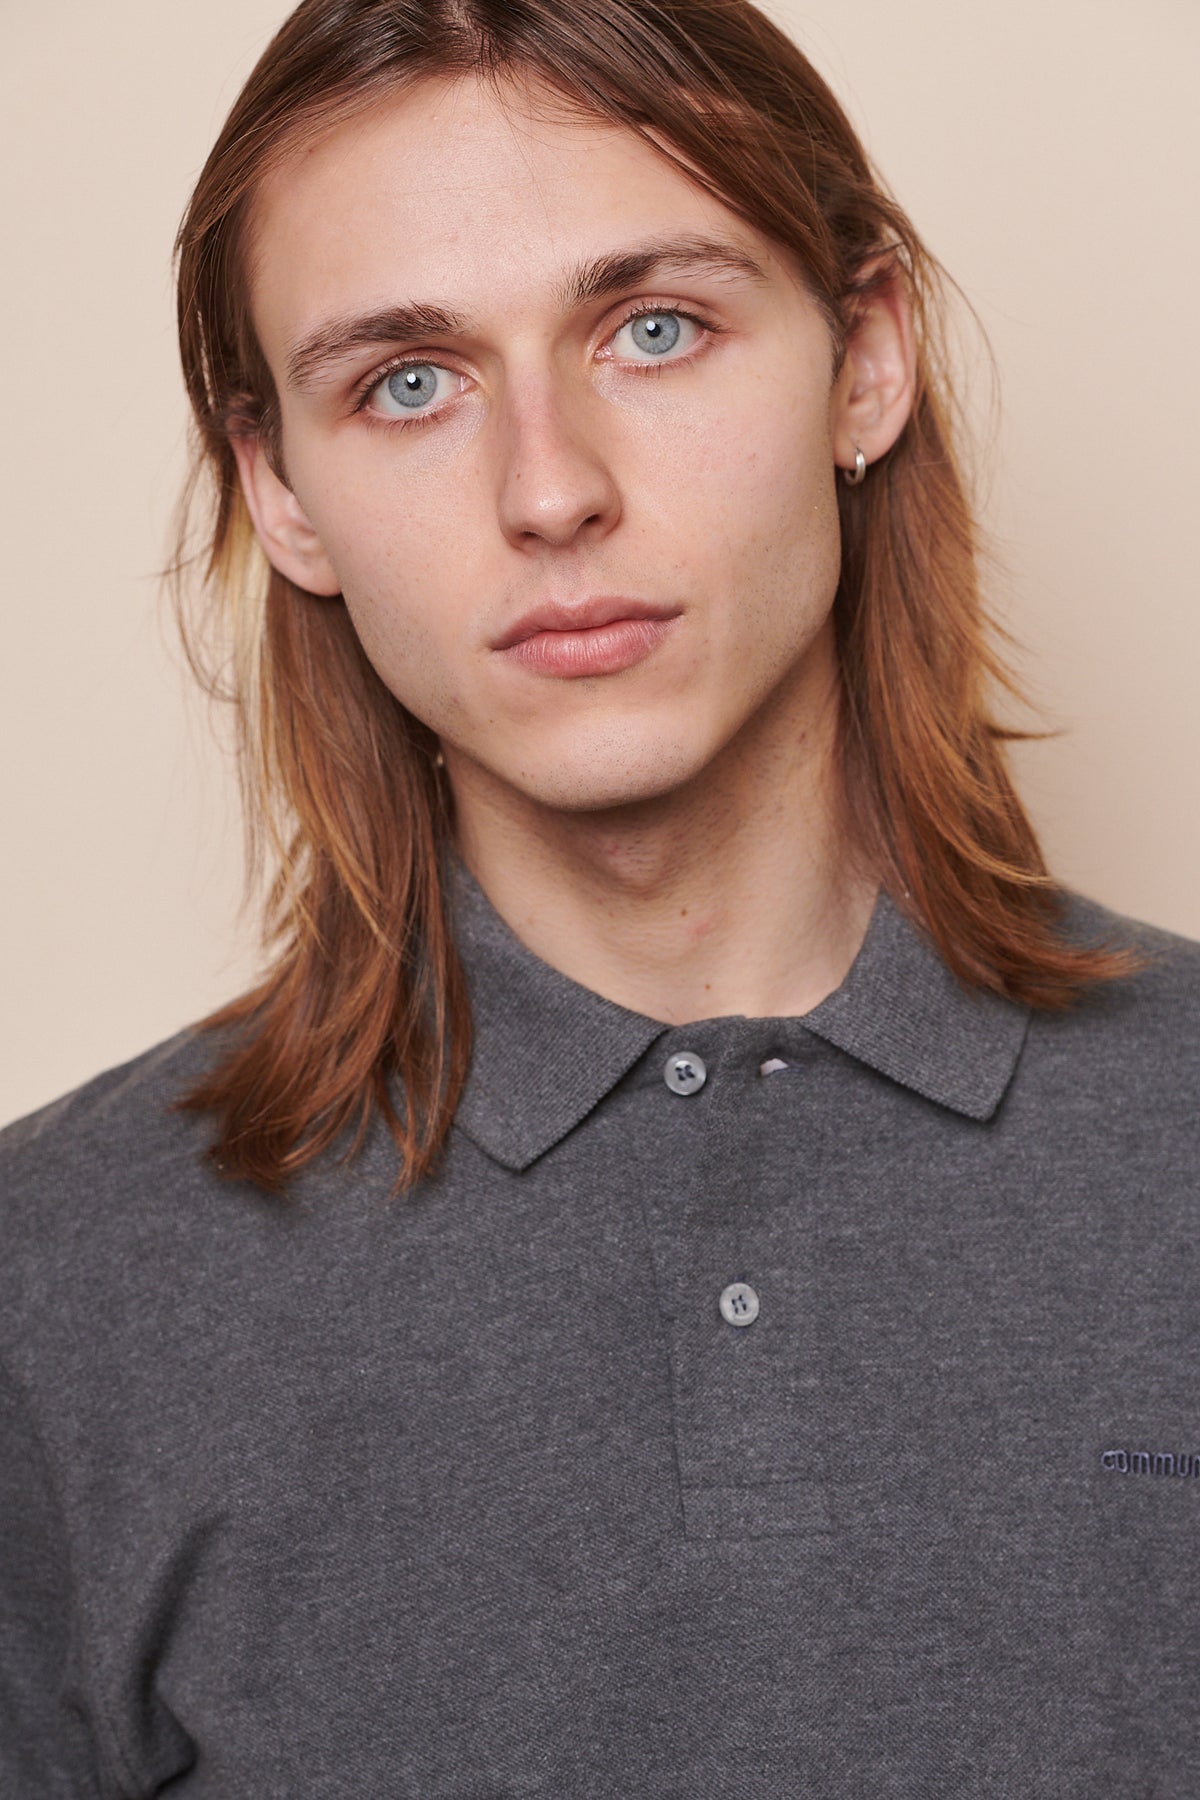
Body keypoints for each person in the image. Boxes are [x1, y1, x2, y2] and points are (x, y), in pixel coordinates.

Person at [2, 0, 1197, 1792]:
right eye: (408, 381)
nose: (549, 489)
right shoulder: (48, 1290)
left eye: (655, 328)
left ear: (864, 358)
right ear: (281, 490)